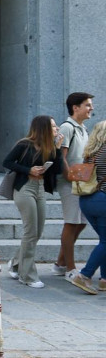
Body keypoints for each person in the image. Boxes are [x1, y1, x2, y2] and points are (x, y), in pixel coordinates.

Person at [2, 115, 65, 289]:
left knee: (37, 232)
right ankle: (27, 275)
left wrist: (57, 149)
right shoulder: (24, 144)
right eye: (53, 126)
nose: (57, 129)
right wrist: (28, 169)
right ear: (43, 128)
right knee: (30, 232)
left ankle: (16, 263)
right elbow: (7, 162)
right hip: (24, 189)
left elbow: (57, 170)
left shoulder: (49, 147)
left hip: (40, 188)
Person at [56, 92, 94, 277]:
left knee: (81, 223)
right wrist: (69, 176)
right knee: (71, 223)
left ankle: (60, 262)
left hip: (81, 182)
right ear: (75, 107)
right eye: (87, 105)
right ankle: (69, 269)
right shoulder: (67, 127)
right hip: (69, 183)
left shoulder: (83, 128)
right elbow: (60, 156)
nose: (91, 108)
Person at [69, 121, 106, 294]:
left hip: (87, 201)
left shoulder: (90, 152)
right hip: (102, 200)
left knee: (104, 241)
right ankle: (84, 276)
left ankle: (104, 279)